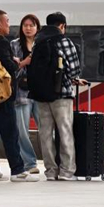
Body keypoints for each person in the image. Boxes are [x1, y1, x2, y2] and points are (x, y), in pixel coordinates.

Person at [0, 10, 38, 183]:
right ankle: (17, 170)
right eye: (7, 22)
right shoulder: (1, 41)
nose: (9, 25)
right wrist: (21, 62)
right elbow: (8, 67)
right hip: (2, 94)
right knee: (10, 131)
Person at [33, 12, 81, 182]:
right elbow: (74, 70)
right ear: (62, 26)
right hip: (62, 94)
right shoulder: (64, 41)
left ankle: (50, 171)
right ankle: (67, 171)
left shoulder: (37, 42)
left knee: (45, 133)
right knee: (65, 130)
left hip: (41, 94)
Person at [10, 14, 41, 175]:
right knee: (22, 130)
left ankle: (53, 162)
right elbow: (11, 70)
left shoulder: (41, 44)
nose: (28, 28)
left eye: (31, 25)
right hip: (21, 93)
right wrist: (24, 62)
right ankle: (30, 163)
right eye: (25, 25)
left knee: (46, 129)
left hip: (40, 92)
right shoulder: (14, 45)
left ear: (37, 27)